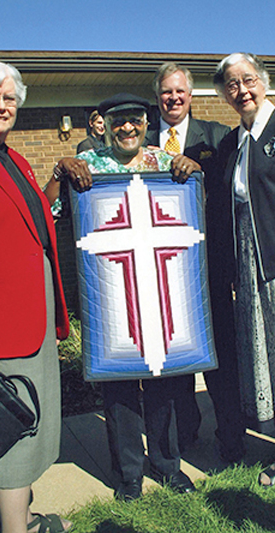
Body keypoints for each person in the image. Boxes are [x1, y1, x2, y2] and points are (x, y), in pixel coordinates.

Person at [45, 92, 201, 501]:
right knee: (119, 389)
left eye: (134, 119)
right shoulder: (88, 166)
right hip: (112, 293)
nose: (127, 128)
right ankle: (128, 472)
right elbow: (48, 210)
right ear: (105, 125)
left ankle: (167, 464)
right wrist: (61, 172)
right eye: (118, 121)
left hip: (160, 289)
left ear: (147, 123)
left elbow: (197, 204)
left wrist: (193, 168)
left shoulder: (165, 163)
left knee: (163, 382)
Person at [0, 60, 72, 533]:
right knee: (11, 429)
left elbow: (33, 220)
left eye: (10, 99)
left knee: (32, 420)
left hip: (30, 316)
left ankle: (23, 516)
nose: (2, 105)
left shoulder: (13, 156)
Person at [145, 61, 246, 462]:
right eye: (166, 92)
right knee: (176, 365)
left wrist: (200, 169)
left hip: (210, 271)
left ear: (191, 95)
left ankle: (232, 440)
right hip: (162, 276)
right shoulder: (143, 139)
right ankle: (185, 433)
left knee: (222, 363)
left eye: (180, 92)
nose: (173, 98)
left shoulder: (219, 137)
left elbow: (232, 190)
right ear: (158, 97)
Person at [213, 53, 275, 486]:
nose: (242, 91)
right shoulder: (236, 140)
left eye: (248, 80)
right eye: (232, 85)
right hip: (253, 265)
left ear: (264, 81)